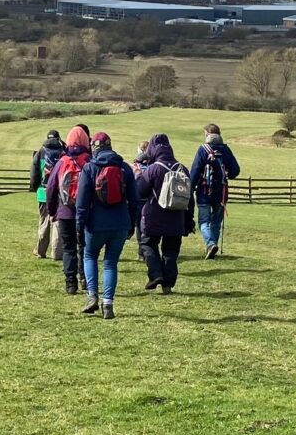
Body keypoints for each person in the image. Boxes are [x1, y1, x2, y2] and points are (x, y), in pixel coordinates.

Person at [75, 132, 140, 319]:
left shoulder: (89, 168)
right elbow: (135, 201)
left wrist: (79, 227)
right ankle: (108, 304)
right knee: (111, 264)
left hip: (94, 225)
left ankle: (92, 295)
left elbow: (81, 203)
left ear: (94, 148)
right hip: (119, 223)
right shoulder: (125, 168)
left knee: (89, 257)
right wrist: (131, 224)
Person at [135, 133, 195, 294]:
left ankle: (155, 275)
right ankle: (167, 284)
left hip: (153, 216)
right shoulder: (183, 169)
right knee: (171, 250)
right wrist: (189, 220)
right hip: (177, 216)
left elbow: (140, 191)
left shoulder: (153, 169)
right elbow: (190, 198)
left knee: (148, 244)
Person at [46, 125, 91, 295]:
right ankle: (86, 279)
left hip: (65, 211)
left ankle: (70, 283)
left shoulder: (62, 162)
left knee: (69, 248)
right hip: (86, 212)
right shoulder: (90, 161)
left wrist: (52, 211)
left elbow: (51, 188)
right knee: (85, 248)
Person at [189, 122, 241, 259]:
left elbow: (195, 171)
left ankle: (211, 244)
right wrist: (226, 174)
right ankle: (212, 248)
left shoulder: (203, 149)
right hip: (222, 193)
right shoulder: (226, 150)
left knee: (204, 221)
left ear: (207, 134)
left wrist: (191, 187)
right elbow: (236, 171)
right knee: (216, 222)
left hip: (204, 192)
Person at [29, 129, 65, 259]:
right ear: (58, 138)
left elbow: (34, 174)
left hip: (43, 192)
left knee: (44, 221)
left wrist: (36, 187)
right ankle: (57, 253)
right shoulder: (63, 152)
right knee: (57, 222)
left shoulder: (40, 152)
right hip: (60, 194)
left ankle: (41, 251)